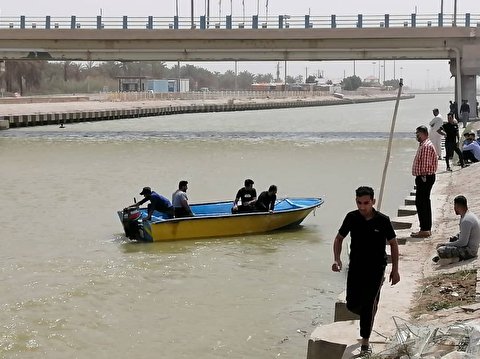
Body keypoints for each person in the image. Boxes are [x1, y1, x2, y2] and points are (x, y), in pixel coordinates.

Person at [332, 186, 400, 356]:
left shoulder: (383, 220)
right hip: (356, 266)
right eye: (359, 203)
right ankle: (369, 311)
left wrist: (395, 270)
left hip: (376, 268)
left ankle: (365, 342)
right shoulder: (351, 217)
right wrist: (337, 258)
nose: (362, 207)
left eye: (366, 203)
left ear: (373, 202)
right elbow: (339, 238)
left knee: (368, 304)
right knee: (352, 303)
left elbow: (393, 244)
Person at [433, 195, 480, 262]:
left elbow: (463, 243)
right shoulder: (468, 215)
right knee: (453, 239)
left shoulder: (466, 220)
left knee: (440, 250)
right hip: (471, 246)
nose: (454, 208)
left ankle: (456, 259)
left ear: (457, 206)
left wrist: (445, 244)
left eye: (454, 206)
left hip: (470, 251)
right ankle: (454, 257)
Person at [411, 125, 438, 238]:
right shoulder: (423, 144)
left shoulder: (426, 146)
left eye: (418, 134)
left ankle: (425, 229)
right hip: (424, 178)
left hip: (425, 178)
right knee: (423, 202)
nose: (417, 136)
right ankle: (425, 228)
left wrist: (422, 177)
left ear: (423, 133)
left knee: (422, 203)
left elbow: (426, 166)